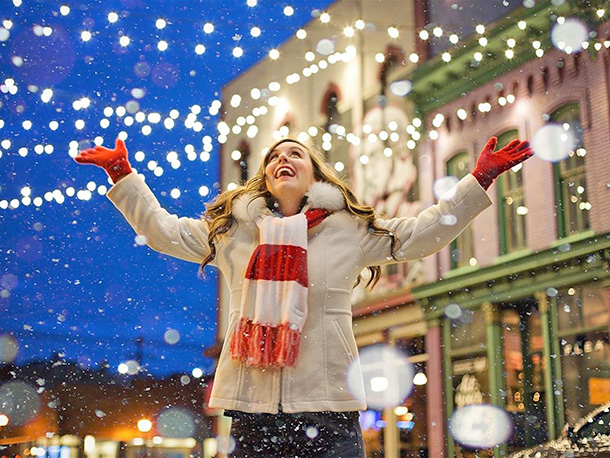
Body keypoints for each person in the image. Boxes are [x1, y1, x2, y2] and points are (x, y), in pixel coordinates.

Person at [75, 135, 532, 457]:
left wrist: (479, 180)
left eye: (295, 153)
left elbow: (419, 235)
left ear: (314, 174)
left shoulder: (349, 230)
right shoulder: (234, 232)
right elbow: (163, 232)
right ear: (266, 178)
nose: (282, 159)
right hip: (254, 412)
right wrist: (123, 173)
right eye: (274, 157)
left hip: (329, 407)